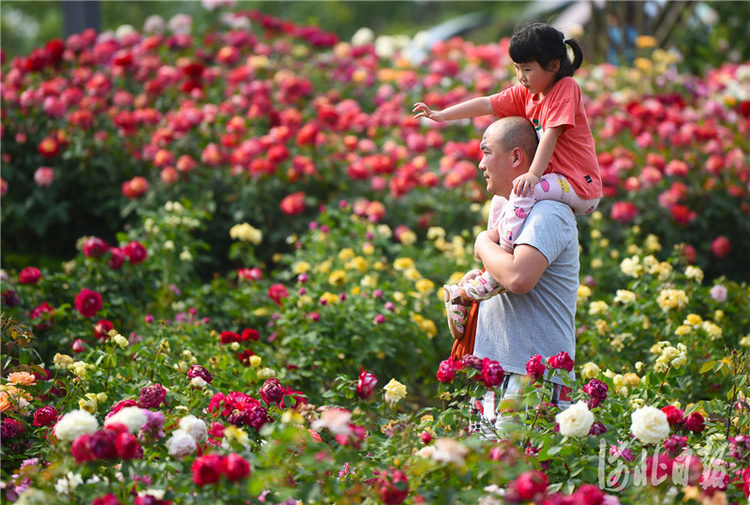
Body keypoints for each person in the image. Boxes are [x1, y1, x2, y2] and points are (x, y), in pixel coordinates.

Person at [413, 22, 601, 339]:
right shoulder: (529, 94)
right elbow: (487, 103)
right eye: (516, 68)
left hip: (578, 184)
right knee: (502, 200)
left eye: (526, 69)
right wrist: (441, 115)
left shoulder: (565, 88)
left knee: (523, 193)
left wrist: (533, 174)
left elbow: (552, 134)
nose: (520, 77)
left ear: (553, 66)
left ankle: (495, 272)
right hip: (553, 180)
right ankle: (488, 272)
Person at [459, 116, 578, 438]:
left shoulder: (548, 212)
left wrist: (483, 243)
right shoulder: (510, 211)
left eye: (486, 151)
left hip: (531, 374)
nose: (480, 162)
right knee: (488, 480)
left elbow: (518, 278)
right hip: (495, 370)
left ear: (515, 157)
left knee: (522, 476)